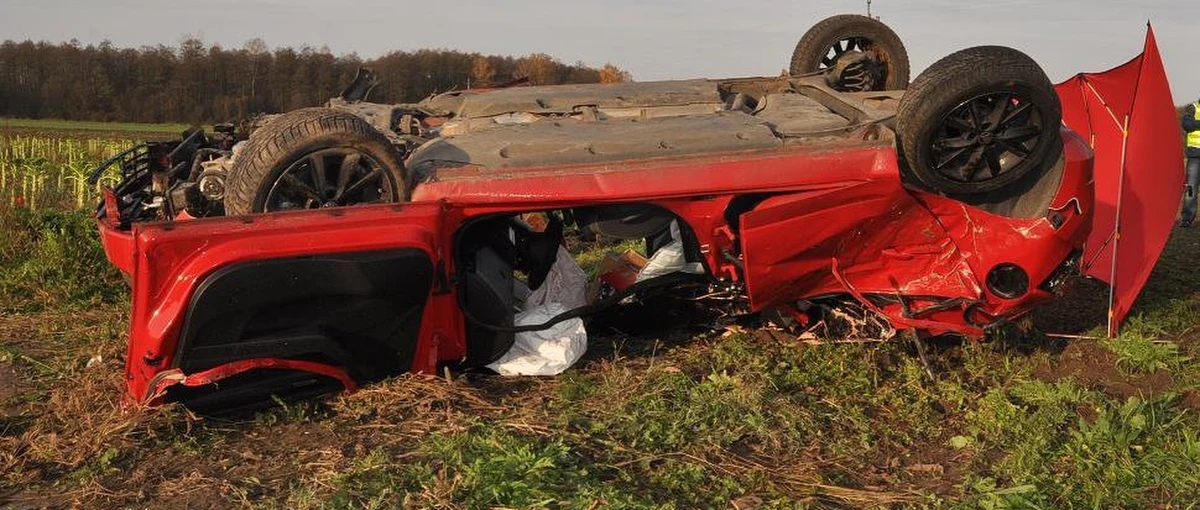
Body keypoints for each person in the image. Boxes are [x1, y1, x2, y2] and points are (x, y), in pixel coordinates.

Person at [1181, 98, 1200, 227]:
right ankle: (1187, 218)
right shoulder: (1192, 108)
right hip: (1195, 156)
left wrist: (1196, 123)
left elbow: (1192, 124)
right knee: (1191, 189)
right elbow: (1187, 124)